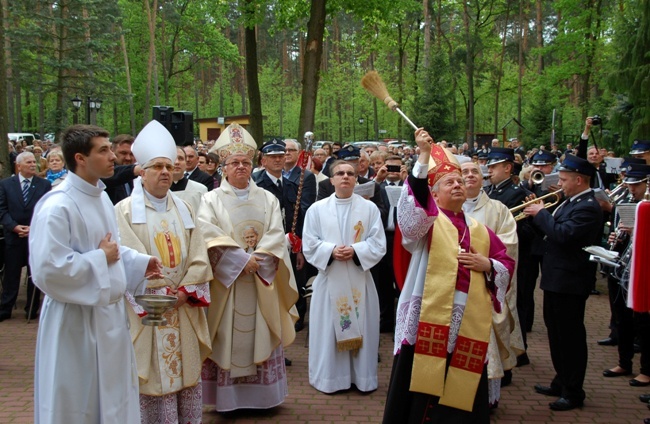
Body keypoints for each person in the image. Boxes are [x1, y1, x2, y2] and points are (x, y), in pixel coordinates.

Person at [28, 124, 163, 423]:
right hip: (74, 321)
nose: (113, 156)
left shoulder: (101, 197)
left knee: (113, 399)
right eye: (103, 150)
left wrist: (139, 262)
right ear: (80, 158)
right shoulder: (57, 206)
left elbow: (111, 249)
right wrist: (100, 258)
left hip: (108, 318)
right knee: (78, 401)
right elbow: (48, 270)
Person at [383, 129, 514, 423]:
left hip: (467, 318)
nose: (457, 185)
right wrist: (424, 156)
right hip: (428, 315)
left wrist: (488, 264)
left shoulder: (479, 230)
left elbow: (505, 261)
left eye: (459, 181)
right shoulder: (428, 221)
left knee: (461, 390)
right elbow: (411, 213)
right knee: (419, 389)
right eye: (448, 182)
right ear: (435, 192)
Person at [116, 120, 213, 423]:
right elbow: (126, 258)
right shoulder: (124, 211)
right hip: (151, 312)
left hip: (183, 308)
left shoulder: (184, 208)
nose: (164, 172)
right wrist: (160, 295)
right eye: (157, 166)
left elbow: (199, 253)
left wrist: (186, 292)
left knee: (185, 371)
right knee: (154, 375)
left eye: (169, 167)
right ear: (141, 172)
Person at [198, 123, 299, 412]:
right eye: (234, 163)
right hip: (227, 285)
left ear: (253, 165)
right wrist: (241, 260)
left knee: (261, 331)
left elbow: (276, 235)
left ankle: (263, 399)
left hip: (260, 282)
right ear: (223, 168)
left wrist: (258, 260)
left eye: (245, 162)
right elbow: (207, 234)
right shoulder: (210, 199)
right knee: (227, 336)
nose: (240, 167)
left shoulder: (266, 198)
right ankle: (228, 401)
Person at [523, 154, 603, 411]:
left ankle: (573, 391)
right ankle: (561, 380)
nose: (561, 184)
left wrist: (540, 214)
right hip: (557, 278)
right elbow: (550, 233)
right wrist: (535, 217)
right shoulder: (570, 201)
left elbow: (563, 234)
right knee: (556, 334)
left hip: (571, 280)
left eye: (565, 179)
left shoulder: (588, 206)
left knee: (569, 337)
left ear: (579, 180)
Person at [302, 160, 386, 393]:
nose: (345, 177)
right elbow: (309, 243)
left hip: (359, 279)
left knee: (361, 328)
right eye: (340, 173)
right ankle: (330, 379)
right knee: (327, 331)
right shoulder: (316, 210)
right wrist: (330, 250)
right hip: (329, 280)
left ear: (356, 179)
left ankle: (362, 378)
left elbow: (379, 243)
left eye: (350, 173)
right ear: (331, 180)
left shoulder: (369, 209)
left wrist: (356, 250)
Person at [461, 160, 523, 406]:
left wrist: (486, 263)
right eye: (463, 172)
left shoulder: (498, 209)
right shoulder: (444, 209)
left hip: (486, 286)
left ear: (483, 177)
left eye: (474, 171)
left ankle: (486, 399)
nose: (469, 176)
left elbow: (509, 245)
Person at [602, 163, 650, 387]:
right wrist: (615, 238)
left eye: (637, 185)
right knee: (620, 316)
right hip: (622, 265)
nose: (632, 189)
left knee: (642, 321)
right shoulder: (627, 203)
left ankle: (646, 370)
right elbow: (619, 234)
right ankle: (624, 361)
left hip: (641, 269)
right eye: (630, 184)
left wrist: (638, 230)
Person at [0, 152, 52, 322]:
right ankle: (6, 308)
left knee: (33, 273)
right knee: (11, 274)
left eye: (34, 162)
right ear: (19, 165)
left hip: (34, 236)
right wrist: (14, 227)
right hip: (13, 237)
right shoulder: (6, 185)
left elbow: (47, 209)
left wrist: (33, 227)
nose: (33, 165)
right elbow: (2, 209)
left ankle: (32, 308)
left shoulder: (44, 185)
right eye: (28, 162)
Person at [170, 146, 208, 213]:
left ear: (185, 163)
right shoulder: (157, 191)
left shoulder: (200, 190)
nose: (177, 162)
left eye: (181, 158)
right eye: (173, 158)